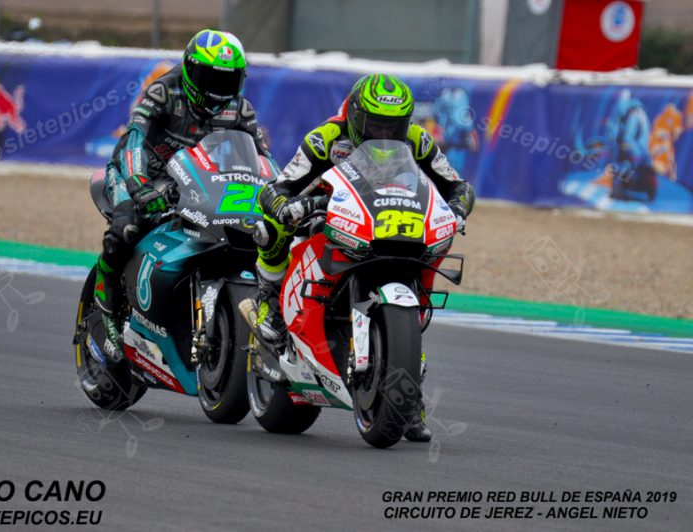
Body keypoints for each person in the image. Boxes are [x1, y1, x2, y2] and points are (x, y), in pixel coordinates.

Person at [252, 73, 476, 442]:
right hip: (328, 217)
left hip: (390, 223)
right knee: (271, 225)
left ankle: (406, 393)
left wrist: (456, 209)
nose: (385, 135)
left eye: (394, 127)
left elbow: (458, 185)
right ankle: (269, 300)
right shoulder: (325, 138)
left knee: (427, 261)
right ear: (356, 118)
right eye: (376, 126)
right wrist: (290, 206)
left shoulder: (418, 141)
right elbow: (276, 187)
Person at [94, 29, 271, 317]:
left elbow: (264, 158)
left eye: (228, 80)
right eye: (211, 79)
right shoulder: (163, 92)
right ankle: (107, 298)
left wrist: (276, 192)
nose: (218, 90)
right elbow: (134, 138)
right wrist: (139, 186)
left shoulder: (240, 108)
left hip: (192, 179)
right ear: (189, 69)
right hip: (139, 172)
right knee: (126, 228)